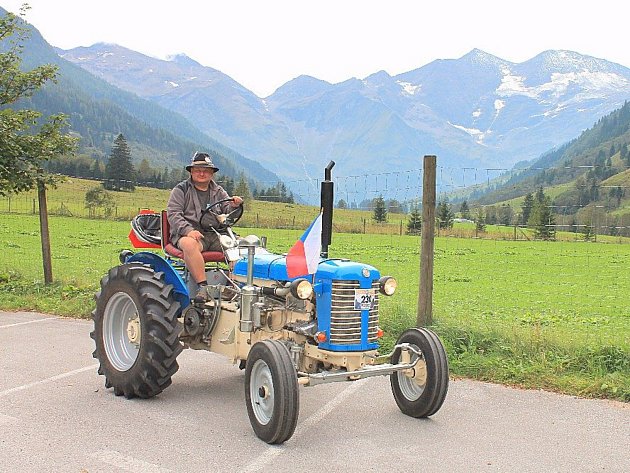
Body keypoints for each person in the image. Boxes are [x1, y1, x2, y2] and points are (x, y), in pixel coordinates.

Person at [167, 152, 243, 303]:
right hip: (190, 235)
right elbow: (174, 214)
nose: (202, 173)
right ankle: (203, 288)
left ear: (211, 173)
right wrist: (188, 231)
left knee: (241, 245)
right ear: (191, 172)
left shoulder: (219, 191)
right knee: (189, 245)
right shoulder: (181, 190)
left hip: (215, 234)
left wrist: (234, 205)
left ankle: (233, 285)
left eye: (206, 170)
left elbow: (227, 210)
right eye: (198, 170)